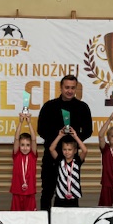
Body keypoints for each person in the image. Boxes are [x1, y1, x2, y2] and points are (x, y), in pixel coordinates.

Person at [37, 75, 92, 210]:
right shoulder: (49, 106)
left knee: (70, 191)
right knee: (47, 191)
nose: (70, 91)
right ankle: (46, 220)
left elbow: (88, 131)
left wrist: (74, 140)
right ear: (61, 88)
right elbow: (41, 129)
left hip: (71, 157)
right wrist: (58, 137)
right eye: (67, 87)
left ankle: (70, 220)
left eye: (73, 88)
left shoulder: (83, 107)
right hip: (51, 156)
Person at [48, 128, 87, 207]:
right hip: (60, 196)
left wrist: (75, 136)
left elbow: (85, 150)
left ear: (75, 151)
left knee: (73, 214)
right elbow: (51, 149)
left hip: (73, 196)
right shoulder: (59, 160)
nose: (67, 152)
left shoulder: (77, 161)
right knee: (58, 214)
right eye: (64, 149)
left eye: (69, 149)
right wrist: (59, 136)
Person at [10, 113, 38, 211]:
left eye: (27, 145)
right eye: (22, 145)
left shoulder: (33, 155)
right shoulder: (16, 154)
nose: (25, 148)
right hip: (17, 191)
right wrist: (20, 123)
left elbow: (34, 139)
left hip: (30, 192)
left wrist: (29, 123)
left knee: (30, 216)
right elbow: (16, 138)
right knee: (15, 215)